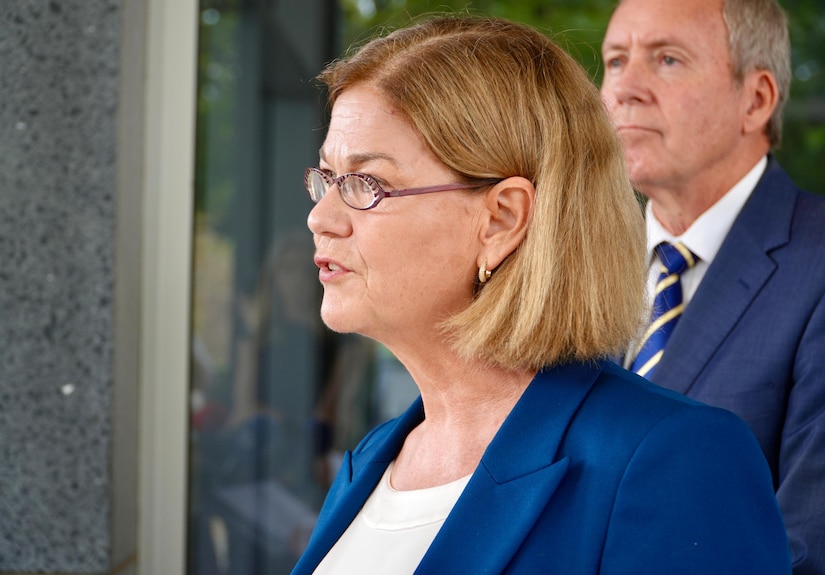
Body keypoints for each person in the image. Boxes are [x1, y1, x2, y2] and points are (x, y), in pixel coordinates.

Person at [292, 15, 790, 575]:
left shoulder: (678, 458)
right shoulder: (371, 459)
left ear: (503, 219)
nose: (320, 217)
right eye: (327, 178)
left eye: (367, 184)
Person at [600, 0, 825, 573]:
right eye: (615, 61)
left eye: (667, 59)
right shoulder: (582, 267)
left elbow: (818, 553)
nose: (625, 89)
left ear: (756, 99)